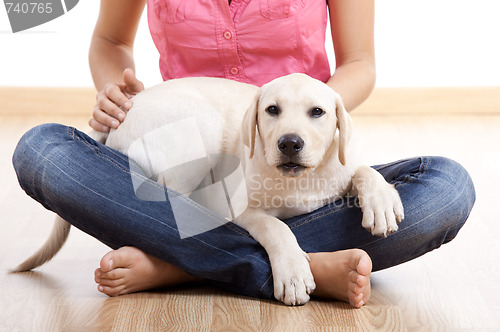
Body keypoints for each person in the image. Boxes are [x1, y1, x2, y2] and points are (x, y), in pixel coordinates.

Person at [12, 0, 475, 308]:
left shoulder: (319, 123)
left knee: (447, 186)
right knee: (42, 151)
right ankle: (285, 262)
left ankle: (178, 261)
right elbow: (110, 42)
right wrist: (117, 88)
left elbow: (360, 62)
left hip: (298, 159)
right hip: (182, 164)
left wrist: (311, 114)